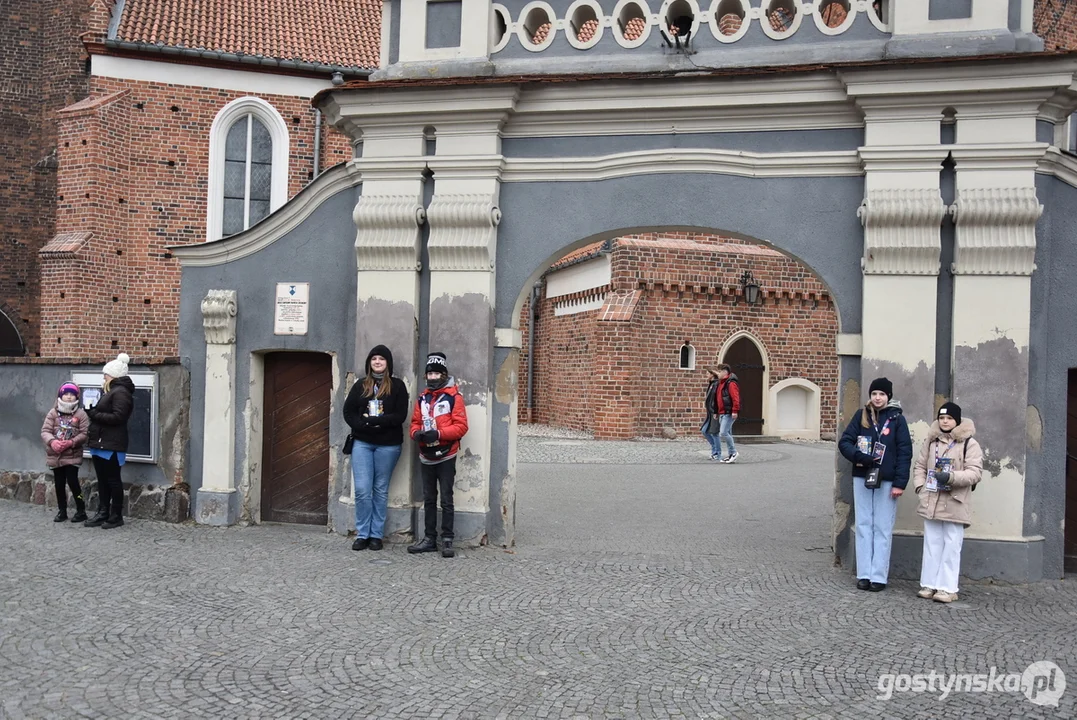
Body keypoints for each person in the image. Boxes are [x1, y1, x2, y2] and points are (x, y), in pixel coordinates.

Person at [838, 377, 912, 591]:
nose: (877, 398)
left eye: (881, 394)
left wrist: (900, 482)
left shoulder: (897, 419)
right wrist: (860, 456)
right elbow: (845, 442)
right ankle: (864, 574)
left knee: (882, 526)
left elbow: (904, 452)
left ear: (888, 396)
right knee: (863, 525)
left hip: (887, 481)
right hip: (863, 476)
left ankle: (878, 576)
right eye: (874, 394)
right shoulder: (861, 416)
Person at [913, 403, 983, 603]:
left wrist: (951, 477)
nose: (945, 421)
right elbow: (920, 466)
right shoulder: (931, 441)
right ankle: (929, 583)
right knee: (932, 543)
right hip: (932, 498)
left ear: (957, 421)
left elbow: (975, 472)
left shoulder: (969, 443)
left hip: (955, 500)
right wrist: (921, 487)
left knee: (952, 544)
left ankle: (947, 587)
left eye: (950, 418)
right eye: (942, 418)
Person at [342, 345, 409, 552]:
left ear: (388, 363)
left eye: (381, 359)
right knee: (362, 489)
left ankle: (376, 535)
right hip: (363, 442)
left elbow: (400, 415)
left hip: (388, 445)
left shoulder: (398, 386)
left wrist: (379, 421)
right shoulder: (360, 385)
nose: (377, 362)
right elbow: (348, 411)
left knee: (380, 490)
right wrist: (363, 424)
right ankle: (362, 533)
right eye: (374, 359)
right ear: (369, 363)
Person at [407, 352, 468, 558]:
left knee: (447, 498)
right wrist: (417, 434)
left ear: (444, 374)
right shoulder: (422, 398)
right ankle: (429, 539)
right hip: (426, 454)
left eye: (436, 374)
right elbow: (414, 423)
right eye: (429, 374)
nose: (432, 377)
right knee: (429, 498)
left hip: (446, 454)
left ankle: (448, 539)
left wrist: (439, 433)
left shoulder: (454, 398)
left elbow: (461, 427)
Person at [85, 353, 135, 529]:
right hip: (102, 442)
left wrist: (93, 414)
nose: (103, 376)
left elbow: (118, 417)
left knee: (113, 480)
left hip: (112, 444)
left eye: (106, 374)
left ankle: (116, 515)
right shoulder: (111, 391)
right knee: (103, 480)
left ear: (113, 375)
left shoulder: (121, 392)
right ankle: (103, 512)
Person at [41, 382, 90, 523]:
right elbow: (45, 431)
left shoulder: (81, 414)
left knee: (74, 483)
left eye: (72, 394)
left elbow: (84, 434)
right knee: (59, 483)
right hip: (55, 455)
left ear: (76, 396)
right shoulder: (53, 412)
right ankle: (61, 510)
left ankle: (81, 509)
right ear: (61, 396)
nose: (69, 397)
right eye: (66, 394)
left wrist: (71, 442)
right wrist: (52, 442)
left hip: (72, 455)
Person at [714, 364, 740, 463]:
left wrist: (735, 410)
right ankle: (730, 455)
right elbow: (718, 399)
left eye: (719, 371)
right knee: (727, 432)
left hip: (728, 412)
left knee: (723, 432)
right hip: (722, 412)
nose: (718, 373)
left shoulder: (731, 383)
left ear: (725, 372)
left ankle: (733, 452)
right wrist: (716, 411)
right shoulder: (721, 383)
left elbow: (735, 398)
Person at [700, 368, 722, 460]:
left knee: (714, 433)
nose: (706, 375)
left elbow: (717, 399)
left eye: (707, 373)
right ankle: (714, 449)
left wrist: (716, 411)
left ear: (712, 375)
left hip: (714, 412)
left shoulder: (716, 384)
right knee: (704, 430)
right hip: (710, 412)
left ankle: (717, 453)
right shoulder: (711, 384)